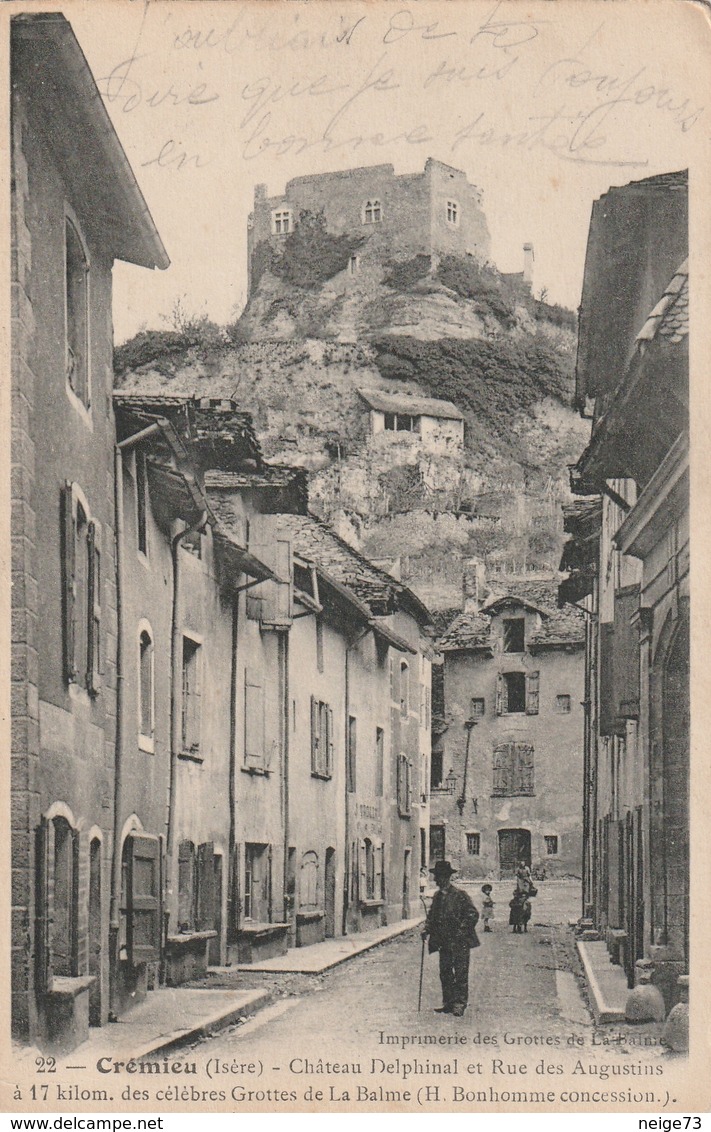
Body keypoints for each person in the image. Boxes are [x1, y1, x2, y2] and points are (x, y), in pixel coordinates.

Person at [422, 861, 480, 1016]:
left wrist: (462, 930)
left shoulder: (460, 895)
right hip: (443, 941)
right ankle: (448, 1002)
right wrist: (426, 929)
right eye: (435, 877)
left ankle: (460, 1003)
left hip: (460, 941)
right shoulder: (437, 896)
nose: (435, 880)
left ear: (446, 878)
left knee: (461, 972)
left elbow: (473, 914)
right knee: (445, 972)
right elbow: (432, 916)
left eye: (438, 877)